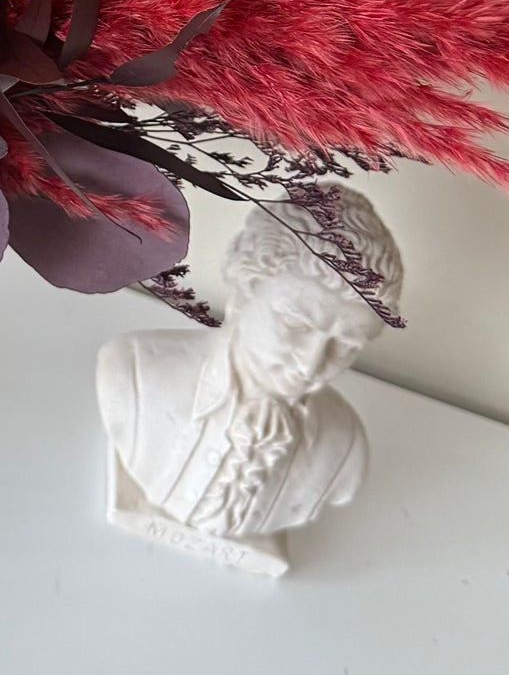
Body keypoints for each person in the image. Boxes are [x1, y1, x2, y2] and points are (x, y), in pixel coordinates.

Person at [97, 189, 404, 574]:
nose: (311, 364)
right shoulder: (132, 370)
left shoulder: (346, 449)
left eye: (346, 346)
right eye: (295, 324)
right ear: (243, 290)